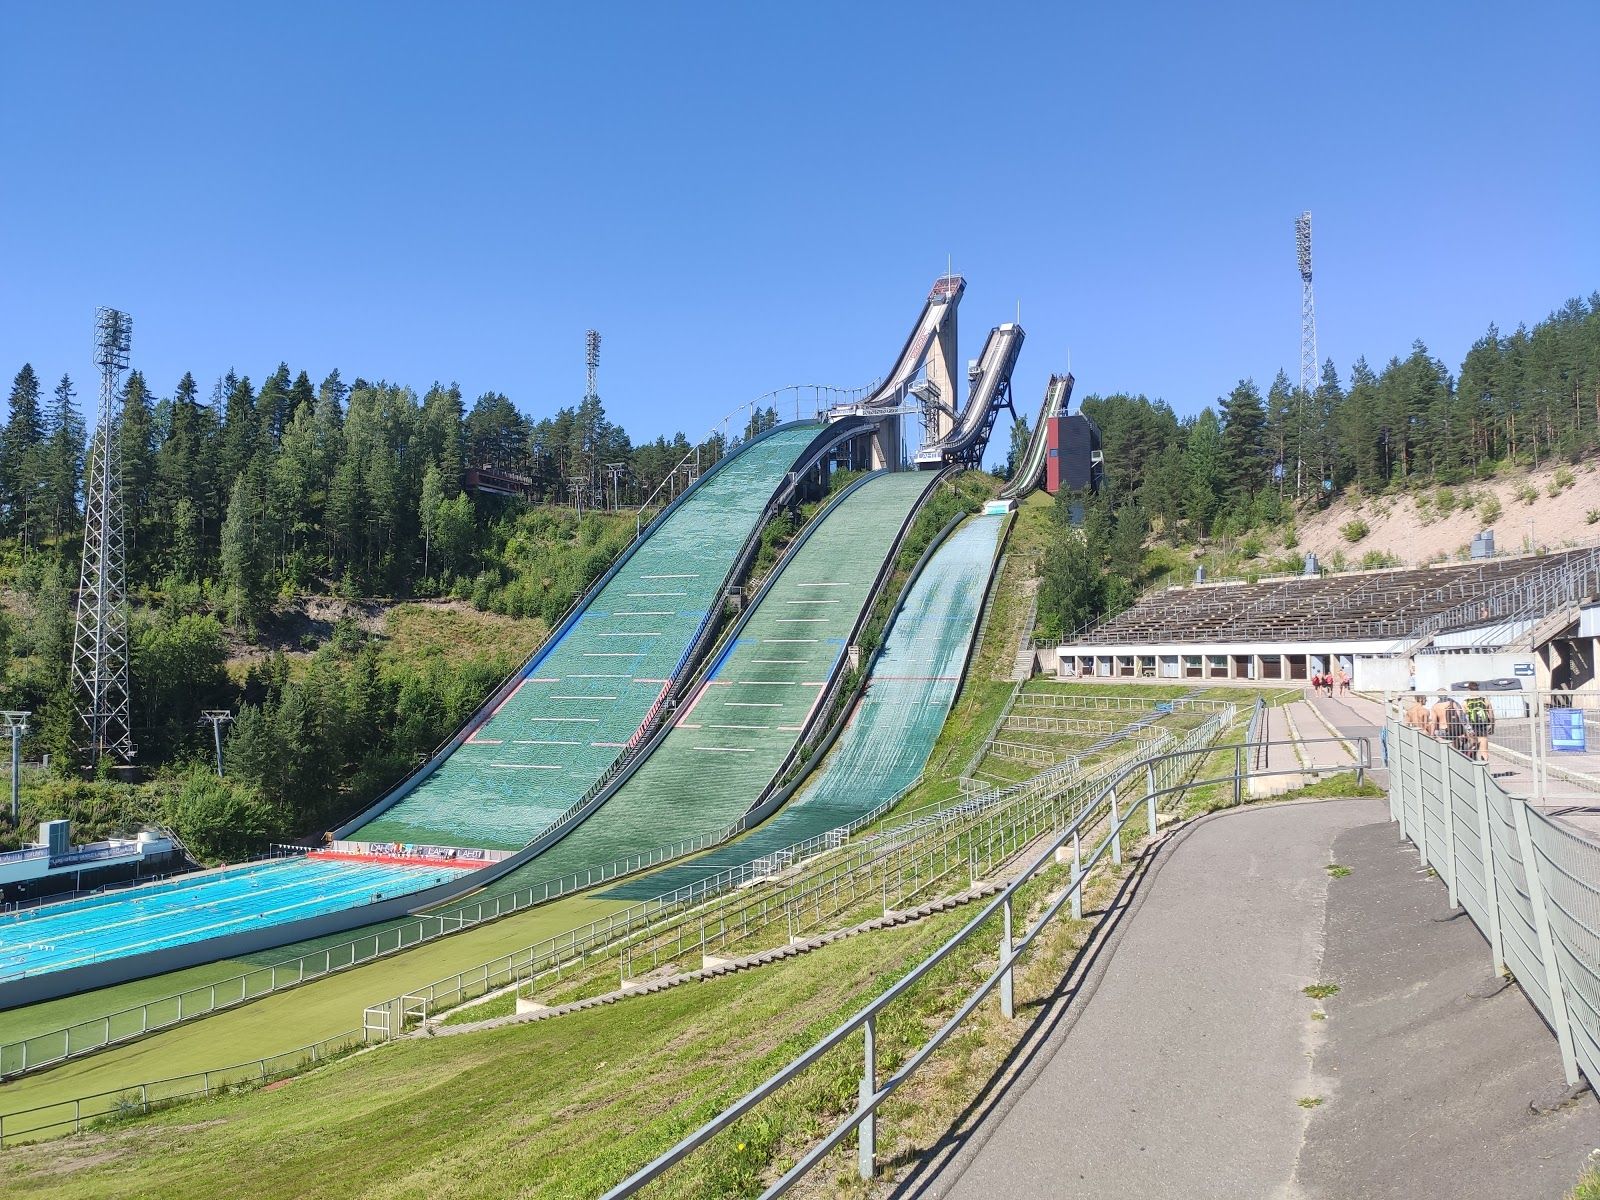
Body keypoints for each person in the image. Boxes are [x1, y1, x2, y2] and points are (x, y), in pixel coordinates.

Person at [1464, 681, 1494, 763]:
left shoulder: (1465, 702)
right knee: (1484, 750)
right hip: (1482, 726)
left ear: (1468, 690)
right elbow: (1491, 715)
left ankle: (1473, 765)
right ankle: (1485, 767)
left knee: (1472, 748)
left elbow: (1463, 718)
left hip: (1471, 727)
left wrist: (1466, 730)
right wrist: (1492, 726)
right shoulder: (1485, 700)